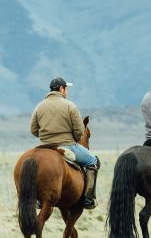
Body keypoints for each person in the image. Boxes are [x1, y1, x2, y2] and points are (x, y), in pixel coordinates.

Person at [30, 76, 100, 209]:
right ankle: (88, 198)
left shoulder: (39, 106)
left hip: (44, 146)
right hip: (67, 145)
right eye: (66, 88)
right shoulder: (70, 105)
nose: (67, 91)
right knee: (93, 161)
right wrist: (71, 138)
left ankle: (38, 199)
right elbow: (79, 131)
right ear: (61, 89)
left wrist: (46, 137)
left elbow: (33, 129)